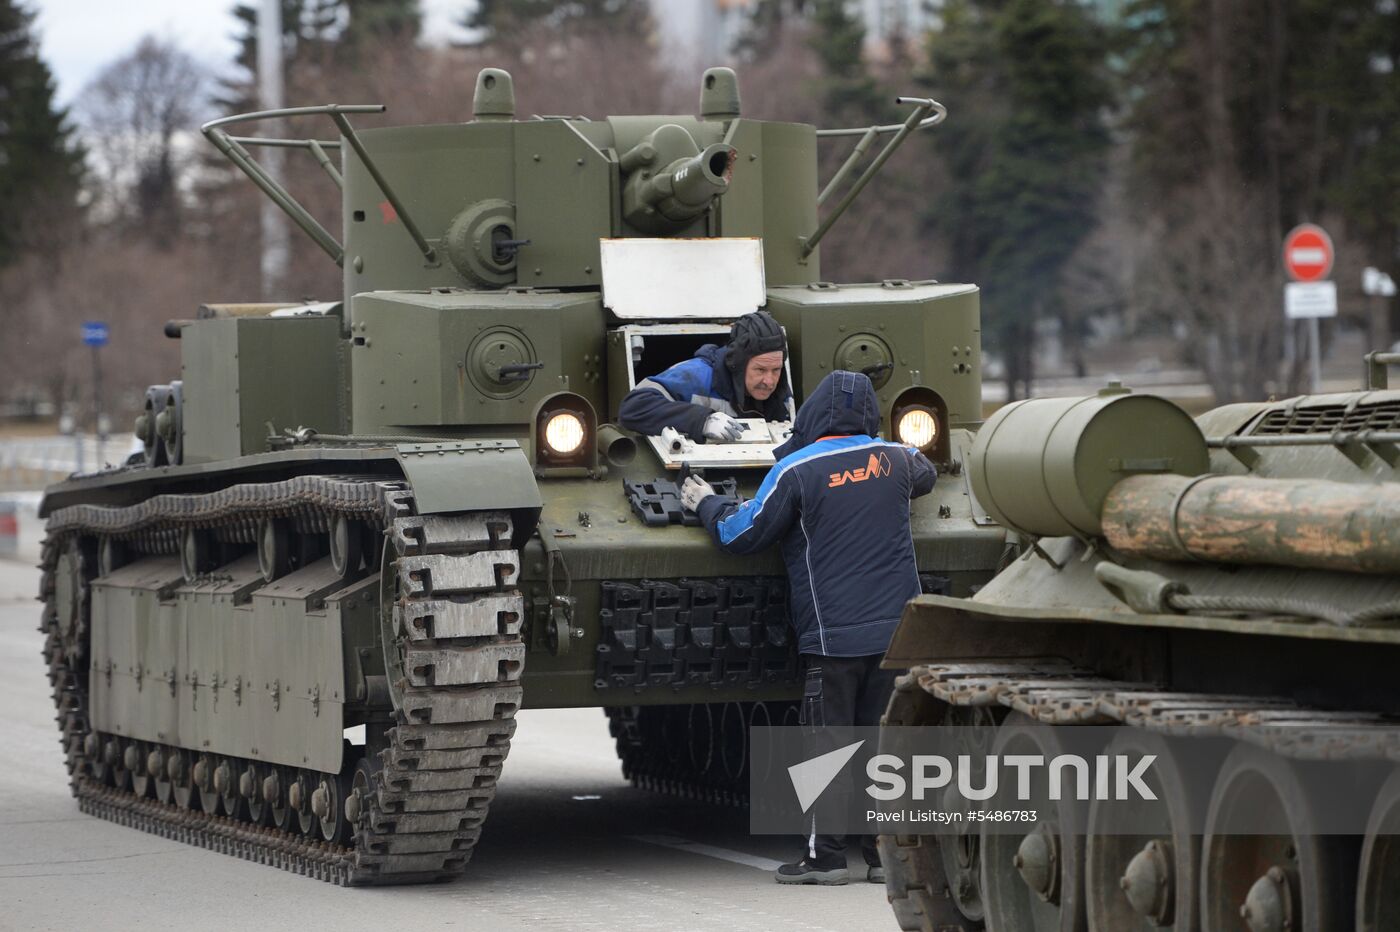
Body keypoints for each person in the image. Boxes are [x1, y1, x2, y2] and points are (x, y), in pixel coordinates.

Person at [680, 370, 936, 885]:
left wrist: (705, 502)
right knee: (885, 743)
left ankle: (824, 859)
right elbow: (927, 474)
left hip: (834, 636)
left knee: (829, 743)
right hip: (896, 634)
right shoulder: (899, 459)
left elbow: (742, 533)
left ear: (815, 415)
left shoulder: (796, 469)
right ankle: (886, 858)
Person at [618, 310, 792, 443]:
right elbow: (633, 408)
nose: (769, 381)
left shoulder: (780, 389)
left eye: (775, 370)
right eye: (760, 370)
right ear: (737, 364)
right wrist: (703, 421)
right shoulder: (694, 376)